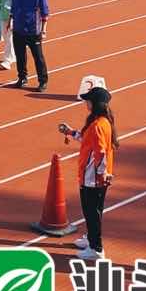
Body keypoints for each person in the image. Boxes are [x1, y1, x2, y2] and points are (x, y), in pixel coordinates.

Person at [59, 86, 117, 260]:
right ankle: (90, 238)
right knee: (91, 211)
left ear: (95, 104)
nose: (85, 102)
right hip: (92, 176)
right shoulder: (100, 122)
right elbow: (87, 140)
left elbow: (100, 153)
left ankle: (96, 248)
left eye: (88, 100)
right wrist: (71, 132)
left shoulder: (99, 125)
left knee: (92, 212)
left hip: (93, 178)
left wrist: (102, 174)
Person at [8, 0, 51, 91]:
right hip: (18, 29)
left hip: (33, 31)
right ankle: (22, 78)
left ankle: (42, 81)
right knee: (20, 56)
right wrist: (10, 21)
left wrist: (43, 30)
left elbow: (44, 13)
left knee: (38, 57)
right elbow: (13, 6)